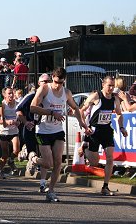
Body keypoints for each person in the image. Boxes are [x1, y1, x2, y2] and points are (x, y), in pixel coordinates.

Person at [29, 67, 92, 202]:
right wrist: (52, 113)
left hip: (57, 131)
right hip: (43, 130)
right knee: (48, 163)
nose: (58, 85)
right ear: (52, 77)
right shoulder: (45, 89)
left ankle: (51, 191)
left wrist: (82, 124)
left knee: (58, 162)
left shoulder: (67, 92)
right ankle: (34, 160)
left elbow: (75, 108)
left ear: (64, 81)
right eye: (56, 82)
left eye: (61, 83)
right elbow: (32, 107)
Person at [80, 76, 128, 196]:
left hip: (106, 130)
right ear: (103, 85)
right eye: (109, 85)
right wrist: (85, 127)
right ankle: (85, 148)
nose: (111, 88)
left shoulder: (114, 99)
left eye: (113, 86)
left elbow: (119, 114)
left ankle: (105, 187)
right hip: (94, 131)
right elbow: (81, 110)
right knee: (94, 162)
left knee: (110, 158)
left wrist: (121, 127)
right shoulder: (96, 96)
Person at [16, 73, 50, 192]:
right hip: (30, 129)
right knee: (34, 153)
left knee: (45, 156)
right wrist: (26, 122)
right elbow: (18, 111)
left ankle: (42, 184)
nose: (47, 84)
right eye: (44, 81)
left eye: (48, 81)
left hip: (45, 129)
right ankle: (29, 155)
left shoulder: (51, 97)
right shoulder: (31, 96)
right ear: (39, 84)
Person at [0, 87, 20, 178]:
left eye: (12, 93)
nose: (11, 95)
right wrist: (6, 122)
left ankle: (11, 160)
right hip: (4, 131)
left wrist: (18, 122)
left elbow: (20, 116)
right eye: (9, 93)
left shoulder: (17, 104)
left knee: (17, 150)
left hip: (14, 131)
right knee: (5, 154)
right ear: (4, 95)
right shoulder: (2, 105)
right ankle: (0, 170)